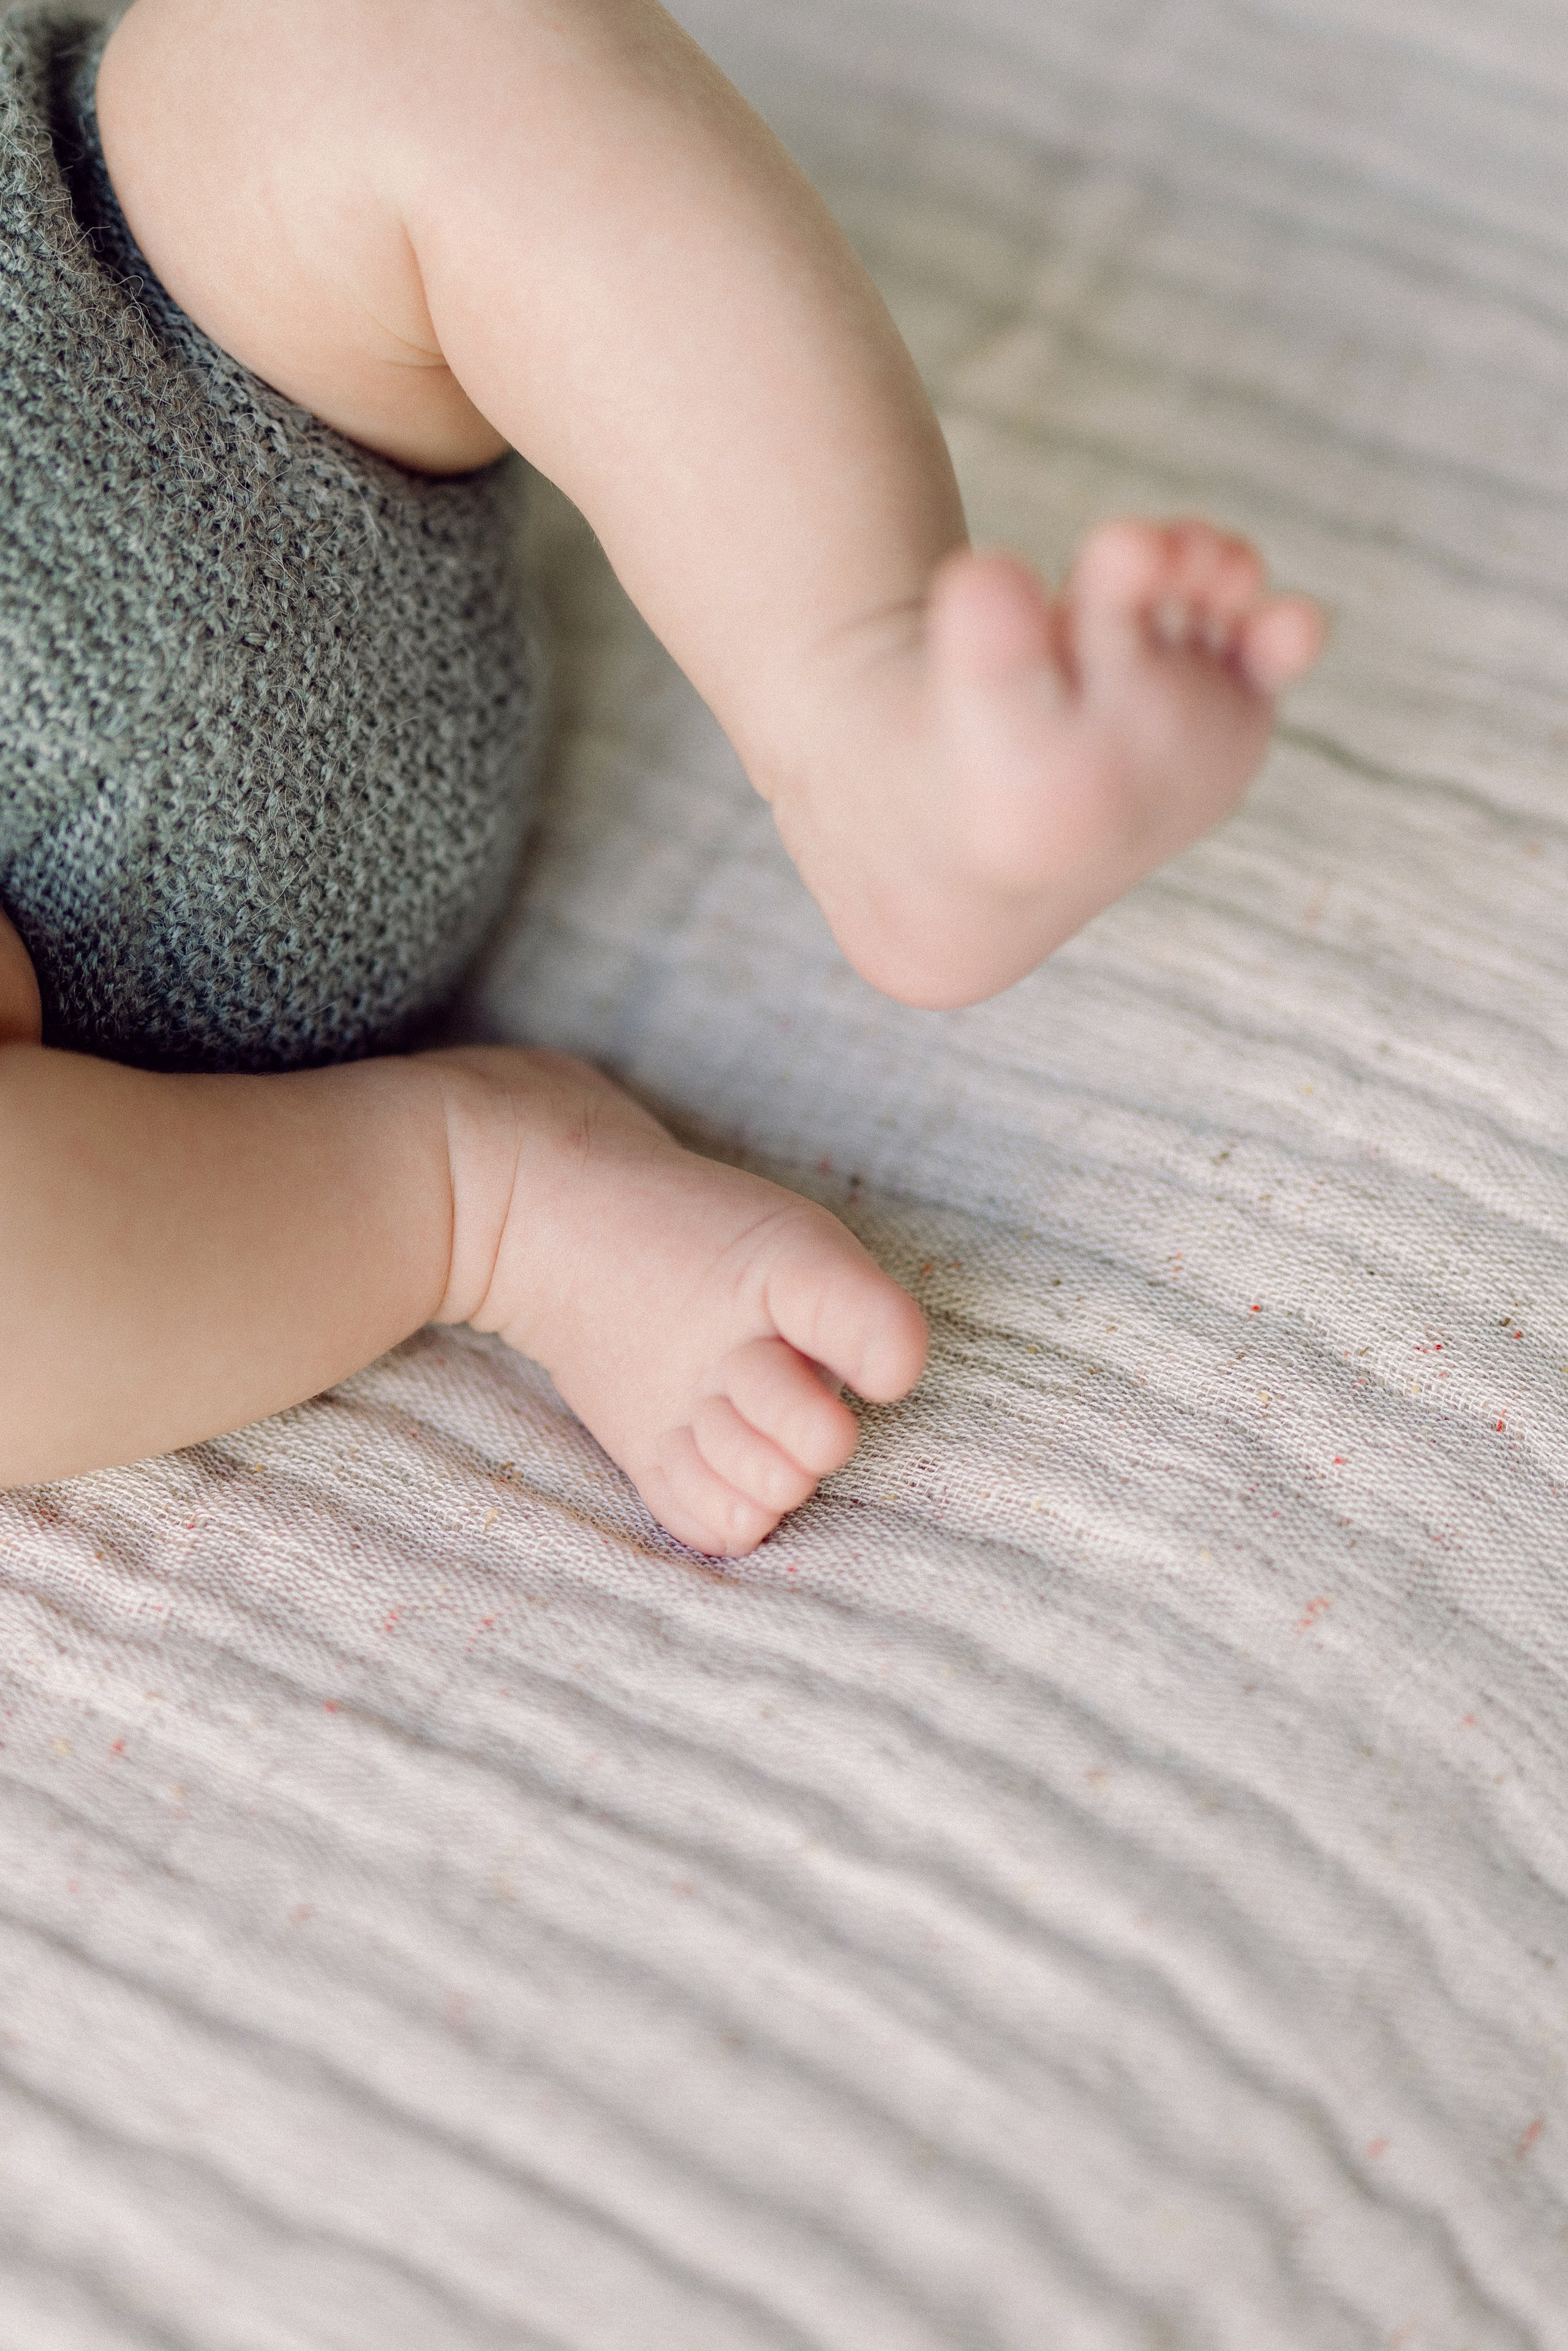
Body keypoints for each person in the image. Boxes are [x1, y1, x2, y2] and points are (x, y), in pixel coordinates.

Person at [0, 0, 1325, 1555]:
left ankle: (870, 714)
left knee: (375, 35)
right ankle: (472, 1195)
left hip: (102, 265)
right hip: (119, 991)